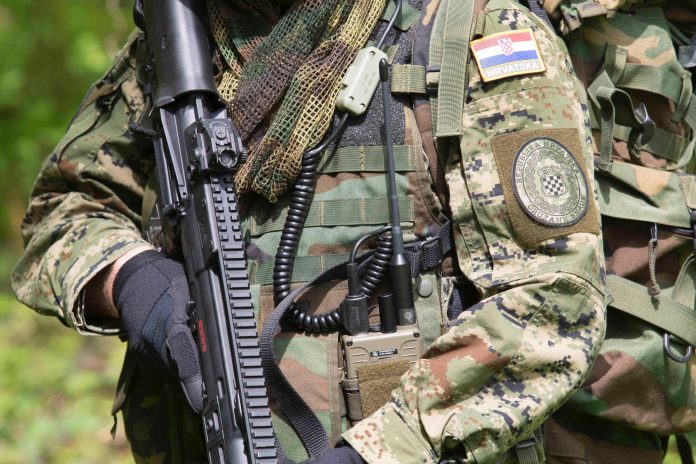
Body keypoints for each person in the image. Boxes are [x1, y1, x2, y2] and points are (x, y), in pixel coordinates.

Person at [12, 0, 607, 462]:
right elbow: (65, 206)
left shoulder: (471, 32)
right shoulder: (182, 43)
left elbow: (555, 301)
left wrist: (379, 452)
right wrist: (129, 277)